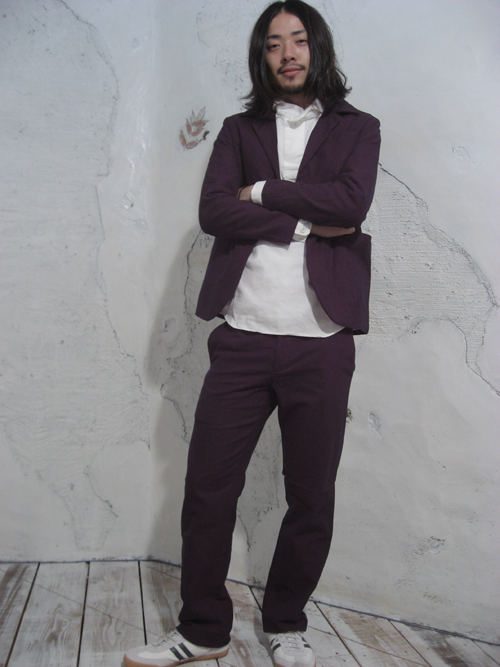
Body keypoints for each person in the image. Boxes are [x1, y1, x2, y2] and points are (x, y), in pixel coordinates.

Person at [124, 1, 380, 666]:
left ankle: (287, 624)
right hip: (241, 338)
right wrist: (306, 222)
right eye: (272, 44)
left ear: (318, 47)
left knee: (311, 495)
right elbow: (214, 211)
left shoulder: (359, 128)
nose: (287, 53)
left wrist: (262, 192)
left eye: (298, 40)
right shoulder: (239, 130)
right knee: (207, 489)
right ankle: (203, 629)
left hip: (321, 341)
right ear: (261, 57)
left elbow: (351, 204)